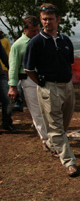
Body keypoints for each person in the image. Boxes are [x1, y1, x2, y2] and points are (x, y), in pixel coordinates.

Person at [24, 3, 78, 177]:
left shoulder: (65, 40)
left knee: (64, 121)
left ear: (58, 20)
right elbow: (28, 68)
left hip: (67, 86)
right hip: (49, 86)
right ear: (41, 20)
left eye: (51, 19)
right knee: (55, 125)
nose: (48, 22)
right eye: (44, 19)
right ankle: (69, 162)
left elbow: (69, 63)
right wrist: (40, 82)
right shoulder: (36, 43)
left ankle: (54, 143)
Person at [8, 16, 49, 145]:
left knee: (48, 110)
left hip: (45, 79)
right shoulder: (18, 45)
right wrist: (13, 86)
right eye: (33, 31)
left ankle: (52, 136)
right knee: (37, 112)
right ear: (25, 29)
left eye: (38, 30)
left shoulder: (43, 41)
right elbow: (13, 67)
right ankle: (47, 141)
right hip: (29, 81)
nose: (36, 33)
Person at [0, 40, 15, 132]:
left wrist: (13, 74)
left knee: (8, 98)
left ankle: (7, 123)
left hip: (0, 76)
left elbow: (5, 58)